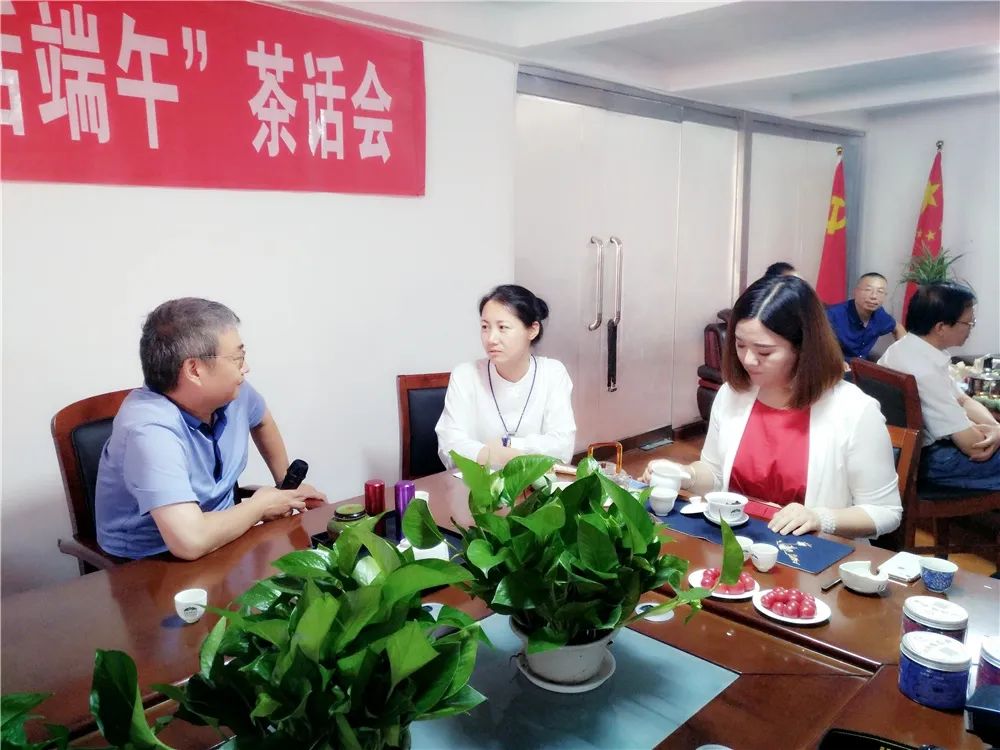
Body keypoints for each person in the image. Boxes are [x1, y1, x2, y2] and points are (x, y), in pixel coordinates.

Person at [644, 275, 902, 539]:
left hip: (808, 551)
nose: (748, 359)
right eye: (740, 344)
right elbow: (715, 473)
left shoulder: (854, 411)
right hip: (734, 542)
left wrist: (819, 518)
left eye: (764, 352)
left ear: (803, 349)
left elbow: (886, 512)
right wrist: (685, 474)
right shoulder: (733, 394)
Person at [96, 298, 326, 560]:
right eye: (237, 358)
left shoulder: (232, 394)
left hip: (225, 538)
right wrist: (260, 506)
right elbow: (190, 541)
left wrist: (286, 484)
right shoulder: (148, 429)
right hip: (152, 561)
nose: (245, 368)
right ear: (194, 370)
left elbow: (262, 420)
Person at [436, 284, 576, 468]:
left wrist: (508, 445)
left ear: (532, 330)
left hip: (534, 483)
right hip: (478, 483)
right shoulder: (465, 375)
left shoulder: (552, 373)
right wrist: (492, 455)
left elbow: (562, 448)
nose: (491, 339)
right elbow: (450, 444)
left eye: (502, 327)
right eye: (485, 327)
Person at [878, 282, 999, 490]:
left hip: (905, 452)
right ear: (941, 327)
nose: (970, 329)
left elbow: (963, 399)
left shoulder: (903, 348)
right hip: (931, 462)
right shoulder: (924, 371)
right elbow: (974, 447)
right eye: (968, 323)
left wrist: (996, 428)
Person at [826, 272, 906, 362]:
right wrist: (839, 362)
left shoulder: (879, 315)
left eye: (880, 291)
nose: (874, 296)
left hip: (861, 366)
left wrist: (903, 356)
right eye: (868, 290)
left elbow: (898, 328)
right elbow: (818, 346)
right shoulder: (833, 315)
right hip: (834, 365)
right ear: (855, 291)